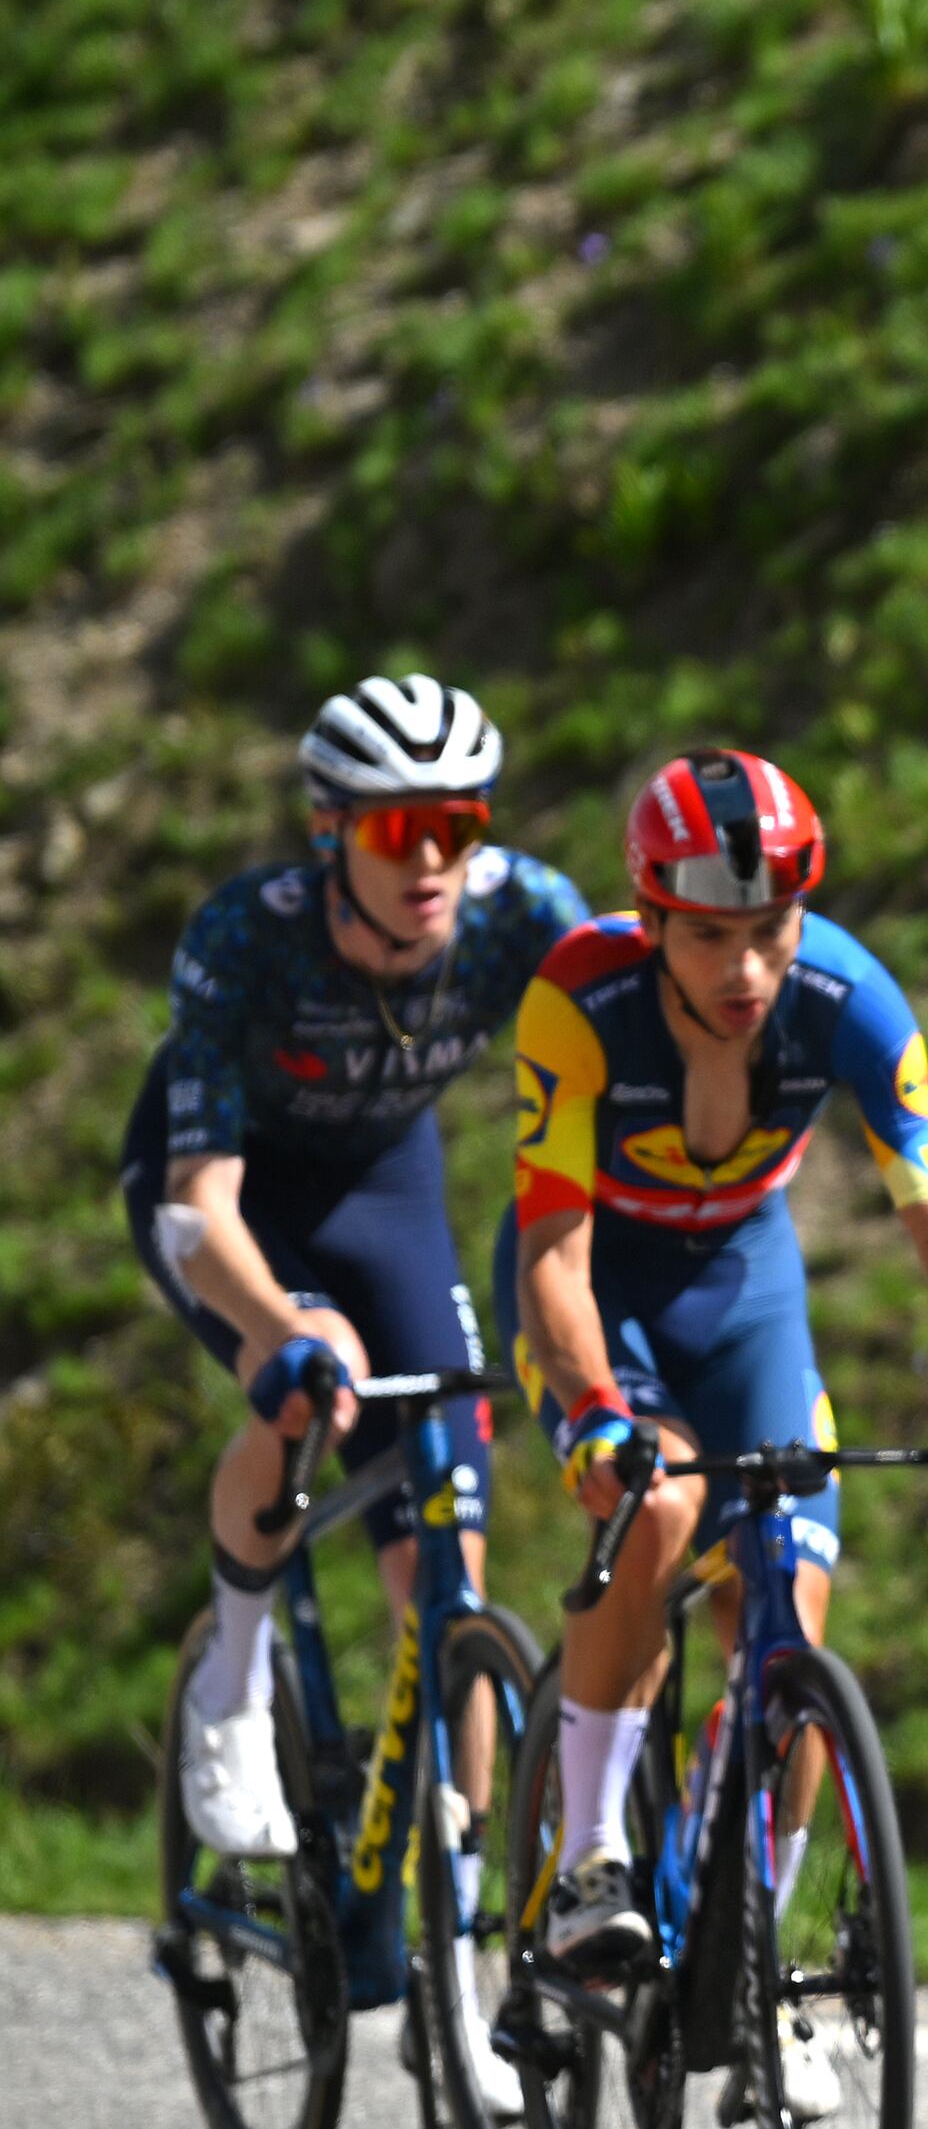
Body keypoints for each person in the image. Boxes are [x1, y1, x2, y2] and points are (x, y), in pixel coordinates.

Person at [504, 753, 928, 2042]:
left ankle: (749, 1936)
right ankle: (583, 1863)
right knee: (663, 1515)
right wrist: (596, 1413)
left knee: (789, 1598)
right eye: (712, 937)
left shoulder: (850, 996)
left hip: (744, 1285)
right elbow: (551, 1257)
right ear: (653, 917)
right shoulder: (581, 997)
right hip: (600, 1292)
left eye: (769, 933)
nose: (745, 971)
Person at [132, 675, 582, 1866]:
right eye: (397, 829)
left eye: (459, 824)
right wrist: (283, 1326)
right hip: (234, 1198)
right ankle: (229, 1687)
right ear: (331, 829)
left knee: (449, 1526)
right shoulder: (247, 936)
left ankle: (460, 1883)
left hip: (386, 1182)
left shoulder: (523, 911)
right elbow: (200, 1202)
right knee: (304, 1385)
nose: (431, 858)